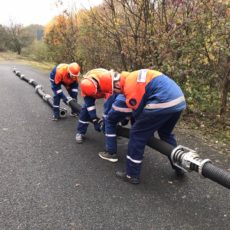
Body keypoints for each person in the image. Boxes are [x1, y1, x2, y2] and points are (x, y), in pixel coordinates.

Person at [112, 69, 186, 184]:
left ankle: (131, 175)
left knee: (137, 133)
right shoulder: (134, 77)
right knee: (165, 133)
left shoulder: (129, 86)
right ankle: (179, 166)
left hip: (164, 101)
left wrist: (127, 119)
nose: (117, 93)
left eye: (115, 91)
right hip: (179, 101)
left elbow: (137, 112)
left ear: (117, 83)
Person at [75, 68, 114, 143]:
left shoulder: (107, 80)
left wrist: (105, 118)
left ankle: (112, 130)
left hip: (106, 90)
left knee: (113, 110)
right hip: (93, 90)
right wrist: (95, 120)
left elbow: (108, 104)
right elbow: (90, 106)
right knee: (85, 110)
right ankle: (80, 132)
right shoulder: (85, 86)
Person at [98, 93, 134, 163]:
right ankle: (135, 153)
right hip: (140, 104)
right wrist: (126, 119)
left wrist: (104, 120)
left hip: (123, 101)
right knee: (137, 129)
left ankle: (111, 153)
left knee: (110, 122)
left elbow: (109, 107)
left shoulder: (110, 90)